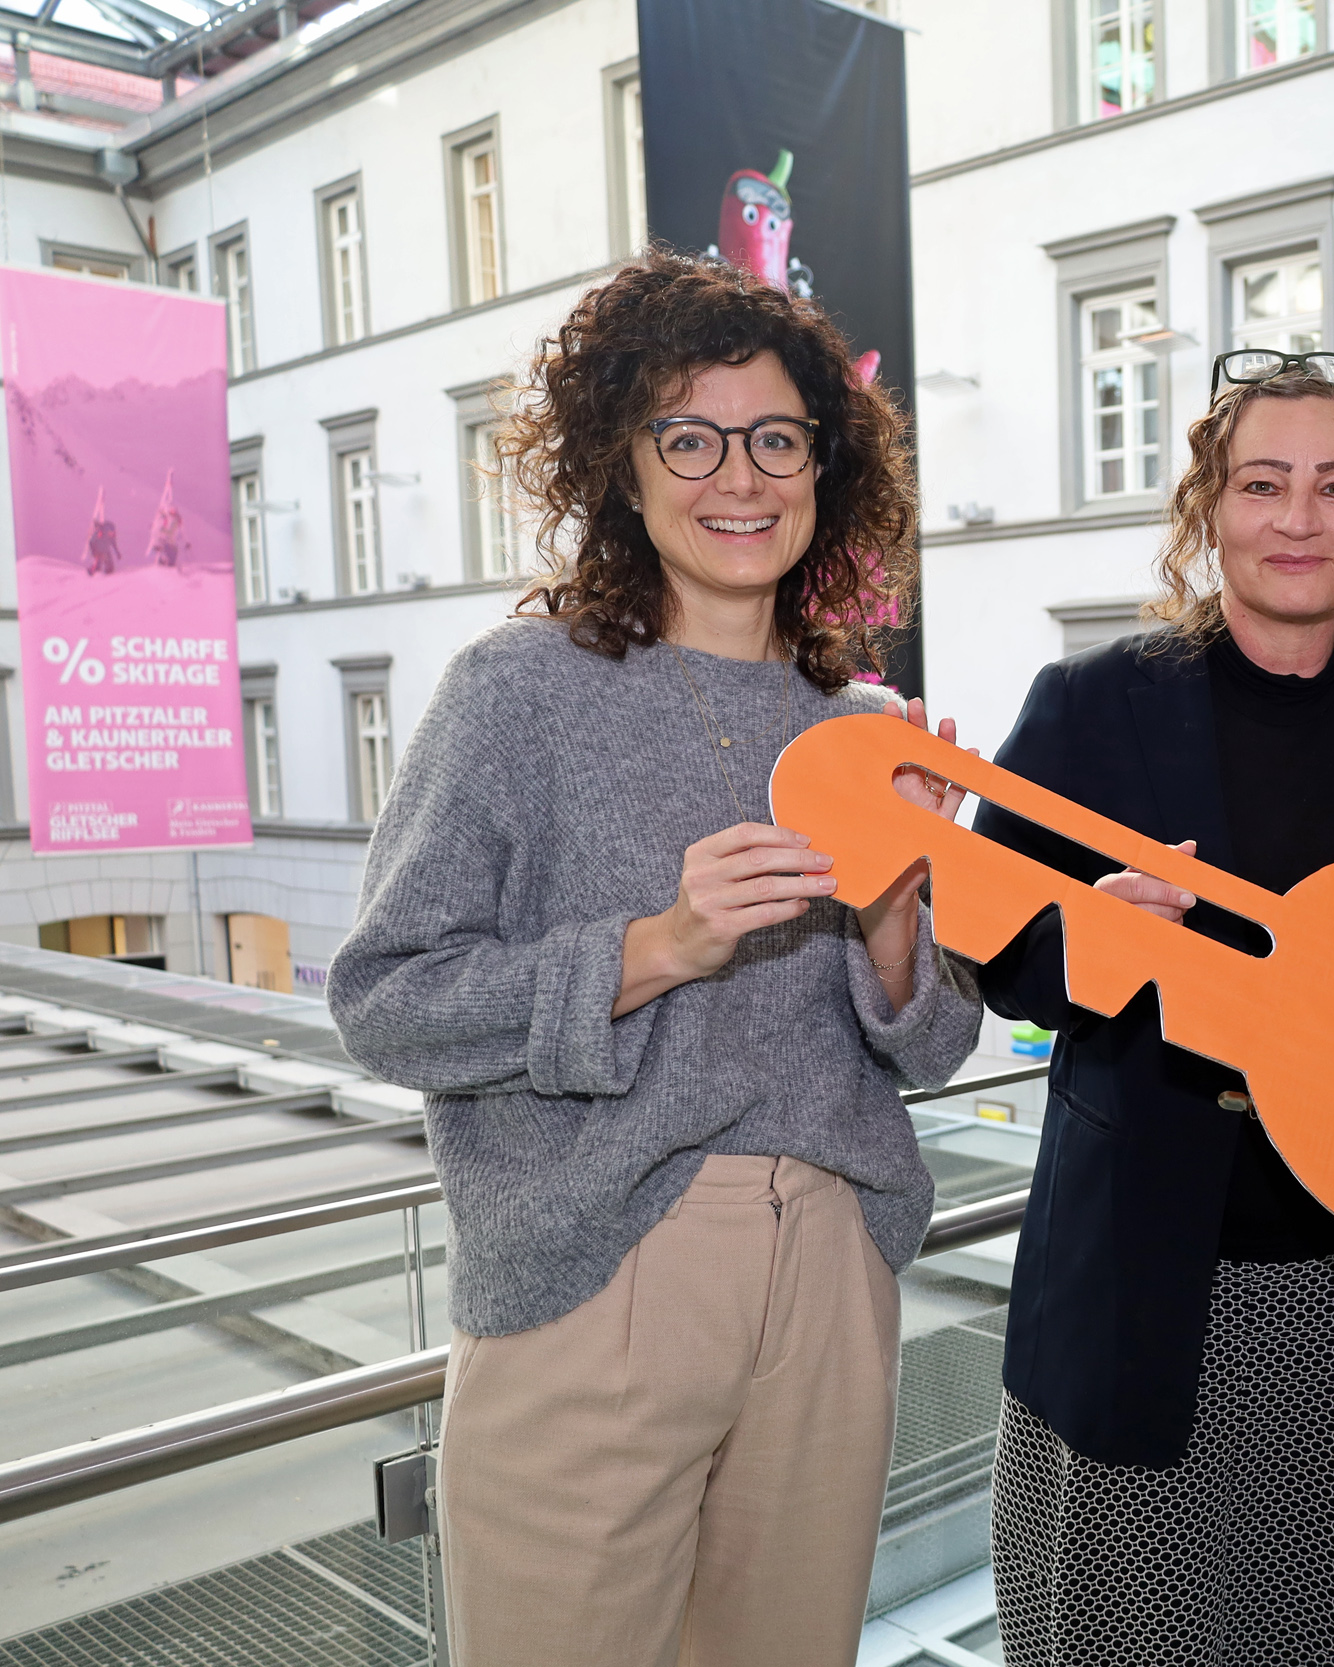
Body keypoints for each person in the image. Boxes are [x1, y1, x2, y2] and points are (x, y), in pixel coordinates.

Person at [327, 252, 984, 1667]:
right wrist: (653, 949)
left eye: (776, 439)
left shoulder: (868, 721)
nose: (737, 477)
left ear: (824, 468)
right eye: (689, 437)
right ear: (622, 469)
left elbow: (937, 1045)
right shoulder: (520, 690)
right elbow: (386, 1004)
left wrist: (891, 919)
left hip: (833, 1272)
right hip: (595, 1269)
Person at [976, 353, 1334, 1666]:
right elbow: (995, 951)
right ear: (1208, 509)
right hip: (1147, 1296)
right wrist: (1086, 934)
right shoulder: (1092, 706)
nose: (1298, 519)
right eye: (1263, 484)